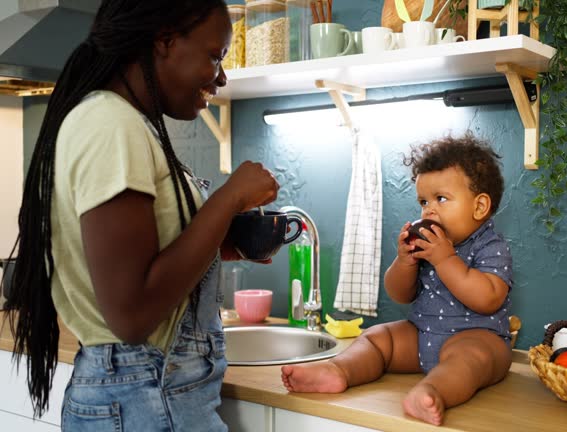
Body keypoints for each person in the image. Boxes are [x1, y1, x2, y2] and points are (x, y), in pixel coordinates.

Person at [2, 1, 279, 430]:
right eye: (215, 56)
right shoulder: (111, 124)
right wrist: (227, 200)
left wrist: (223, 242)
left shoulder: (120, 121)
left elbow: (141, 263)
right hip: (146, 397)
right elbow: (131, 315)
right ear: (166, 42)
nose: (221, 77)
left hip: (146, 396)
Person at [281, 133, 514, 426]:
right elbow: (399, 294)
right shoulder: (428, 246)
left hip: (478, 338)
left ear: (479, 207)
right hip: (421, 335)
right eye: (423, 201)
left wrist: (445, 260)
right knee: (379, 337)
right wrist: (405, 261)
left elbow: (487, 297)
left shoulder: (490, 245)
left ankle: (431, 392)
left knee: (469, 358)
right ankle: (338, 371)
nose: (429, 210)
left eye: (441, 199)